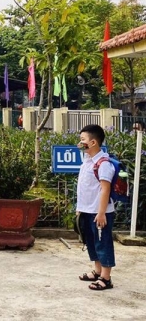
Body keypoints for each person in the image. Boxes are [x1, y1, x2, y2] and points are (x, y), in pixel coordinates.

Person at [76, 124, 116, 291]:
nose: (79, 143)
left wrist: (101, 214)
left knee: (103, 242)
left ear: (93, 142)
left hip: (100, 212)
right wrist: (80, 208)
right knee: (91, 242)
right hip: (87, 210)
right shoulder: (87, 161)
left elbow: (105, 189)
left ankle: (106, 278)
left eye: (82, 140)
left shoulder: (103, 163)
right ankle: (97, 271)